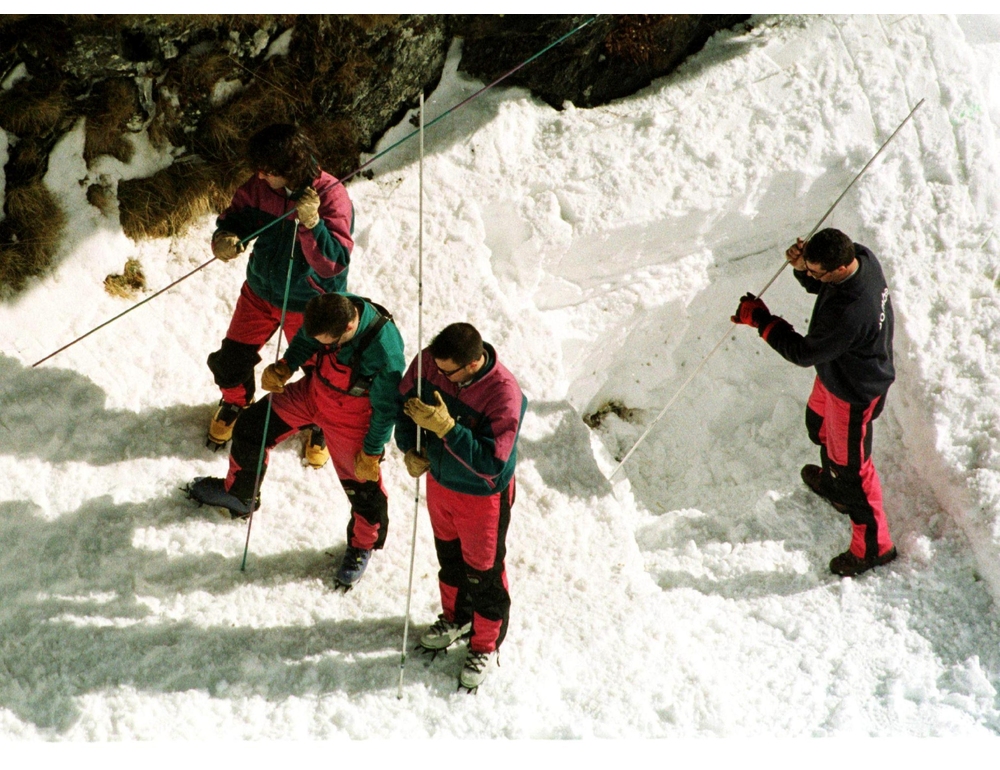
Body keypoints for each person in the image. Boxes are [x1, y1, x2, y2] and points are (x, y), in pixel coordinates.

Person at [188, 292, 405, 589]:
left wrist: (371, 452)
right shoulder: (329, 309)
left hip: (353, 420)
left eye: (327, 343)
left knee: (363, 490)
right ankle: (240, 495)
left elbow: (386, 409)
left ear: (349, 327)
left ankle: (362, 545)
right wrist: (286, 366)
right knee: (252, 428)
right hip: (313, 394)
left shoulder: (385, 351)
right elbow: (305, 340)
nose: (323, 346)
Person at [731, 228, 897, 577]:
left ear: (837, 270)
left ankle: (874, 548)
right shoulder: (861, 257)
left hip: (854, 392)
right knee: (817, 425)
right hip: (836, 371)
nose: (812, 275)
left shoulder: (852, 312)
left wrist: (761, 320)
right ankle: (836, 488)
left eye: (816, 271)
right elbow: (824, 290)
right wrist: (802, 268)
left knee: (854, 471)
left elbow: (803, 352)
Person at [205, 123, 355, 472]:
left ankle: (320, 423)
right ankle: (236, 403)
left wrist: (312, 223)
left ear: (289, 168)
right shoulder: (260, 187)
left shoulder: (332, 197)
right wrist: (225, 238)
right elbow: (235, 218)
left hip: (310, 305)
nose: (259, 176)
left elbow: (333, 264)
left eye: (268, 170)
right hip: (259, 292)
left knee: (319, 373)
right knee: (230, 361)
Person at [396, 323, 526, 690]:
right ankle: (456, 617)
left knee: (483, 571)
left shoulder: (504, 396)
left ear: (471, 364)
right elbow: (402, 402)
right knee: (449, 557)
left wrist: (448, 428)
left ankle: (485, 643)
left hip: (481, 499)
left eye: (448, 371)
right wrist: (411, 448)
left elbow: (491, 463)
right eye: (436, 366)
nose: (439, 375)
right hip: (441, 483)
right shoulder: (433, 363)